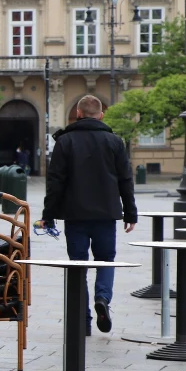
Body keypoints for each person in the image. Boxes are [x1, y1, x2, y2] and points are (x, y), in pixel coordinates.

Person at [42, 94, 138, 334]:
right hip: (106, 215)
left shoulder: (65, 142)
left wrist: (48, 214)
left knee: (78, 266)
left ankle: (82, 321)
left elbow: (55, 182)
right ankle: (103, 298)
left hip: (75, 216)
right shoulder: (115, 142)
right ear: (101, 115)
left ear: (78, 114)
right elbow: (126, 179)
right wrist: (130, 213)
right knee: (105, 260)